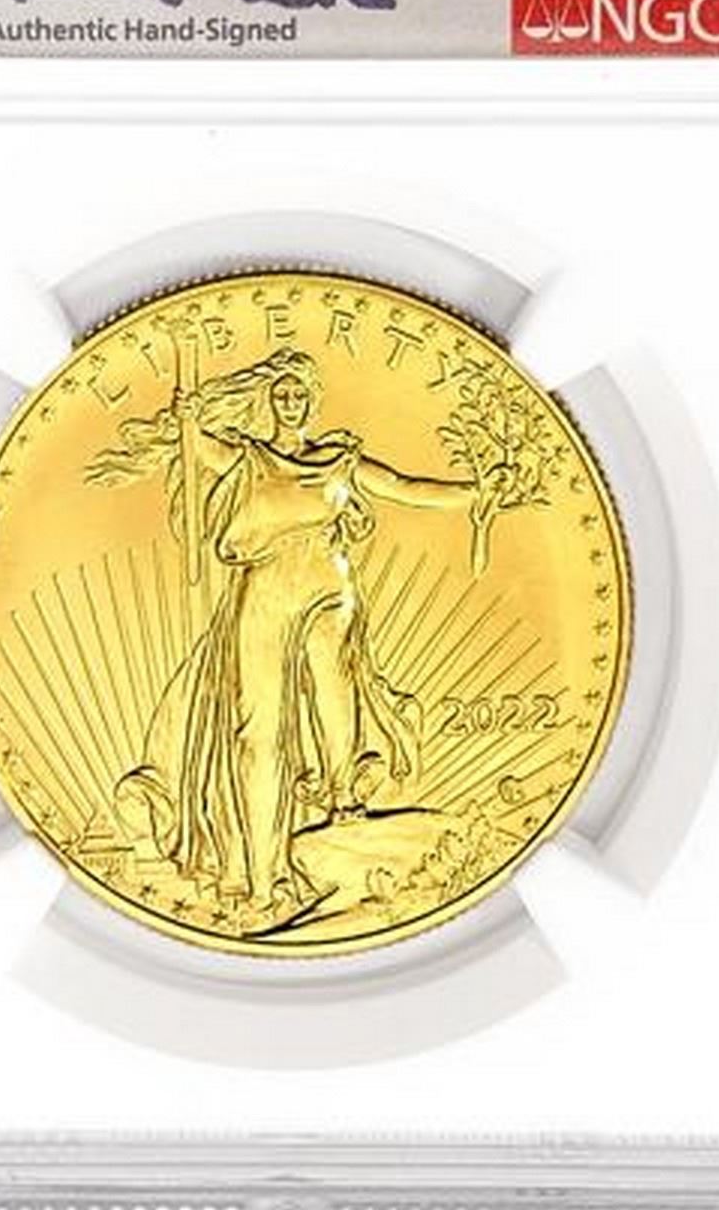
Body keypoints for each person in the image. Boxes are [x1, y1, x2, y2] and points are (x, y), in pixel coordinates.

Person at [87, 349, 499, 927]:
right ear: (268, 400)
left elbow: (405, 486)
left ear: (313, 401)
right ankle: (261, 870)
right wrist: (187, 420)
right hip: (265, 594)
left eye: (299, 393)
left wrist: (477, 493)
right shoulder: (251, 458)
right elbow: (201, 448)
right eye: (281, 393)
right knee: (258, 729)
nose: (290, 402)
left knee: (336, 692)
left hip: (330, 588)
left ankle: (343, 799)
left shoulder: (339, 462)